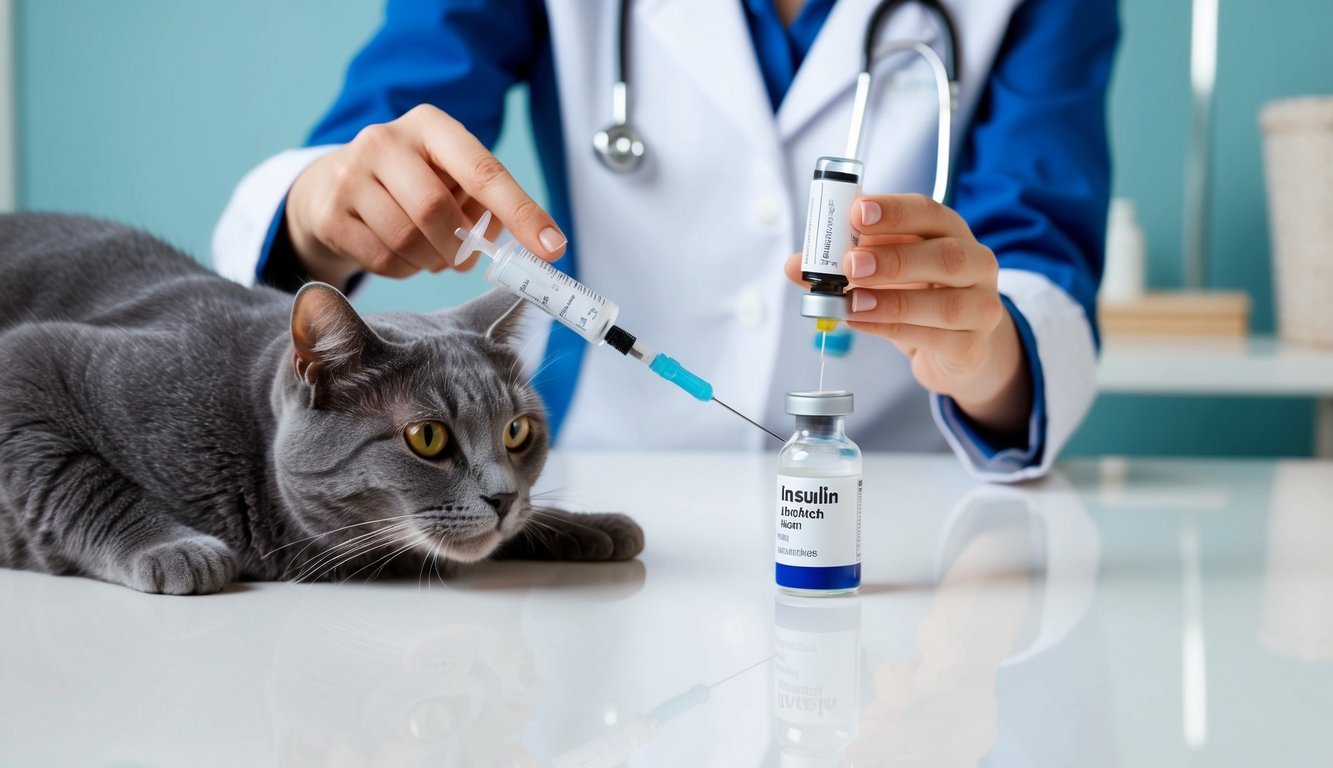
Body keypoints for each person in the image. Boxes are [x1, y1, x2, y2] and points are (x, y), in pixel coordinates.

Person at [214, 0, 1117, 482]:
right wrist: (322, 207)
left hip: (910, 509)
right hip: (621, 488)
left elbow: (1040, 267)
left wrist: (984, 347)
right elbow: (371, 141)